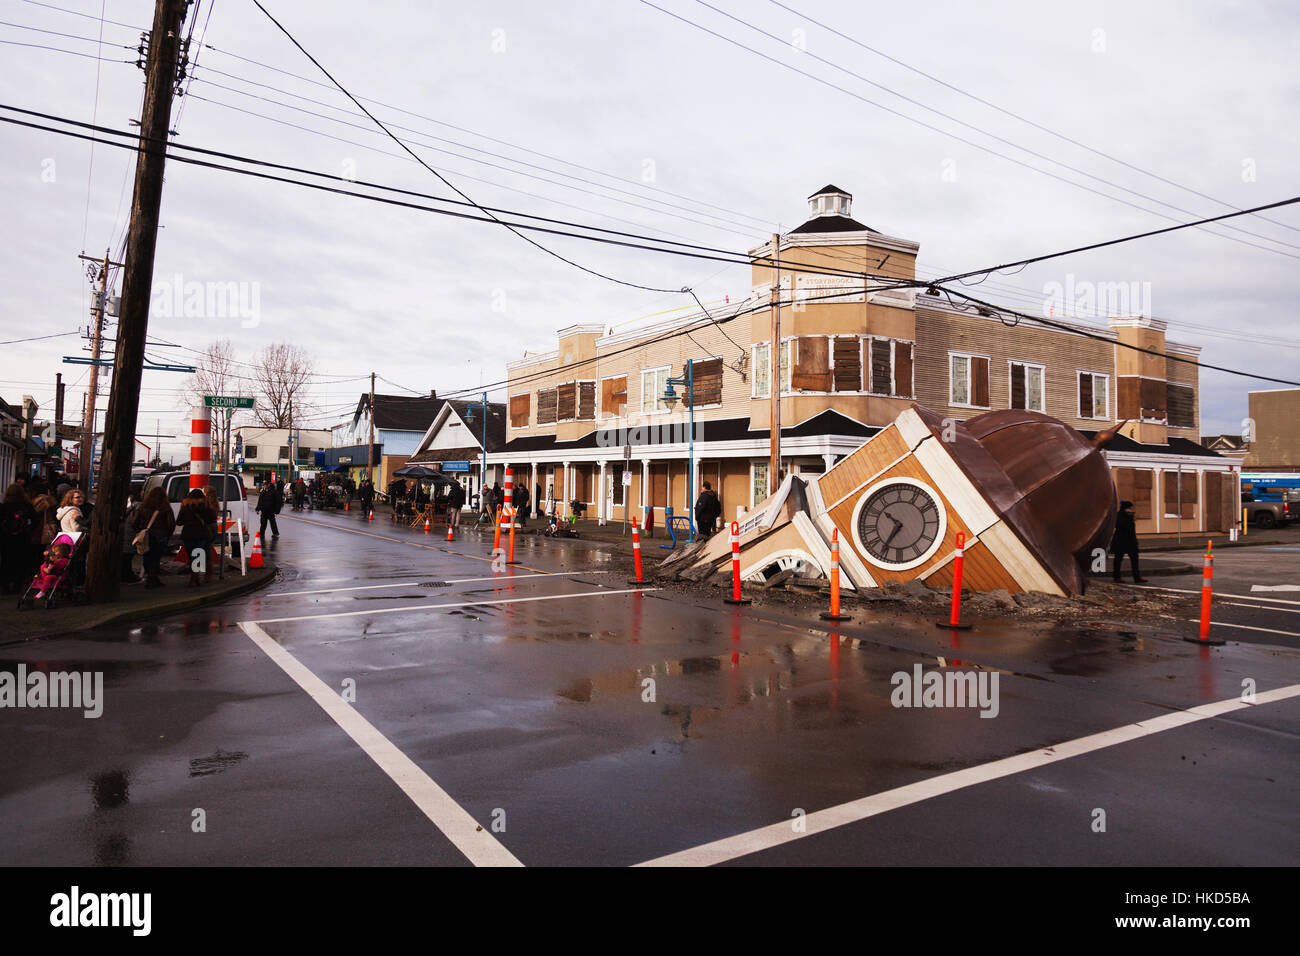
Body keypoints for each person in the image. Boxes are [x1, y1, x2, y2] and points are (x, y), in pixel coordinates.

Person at [1, 484, 39, 594]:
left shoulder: (4, 506)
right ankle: (17, 585)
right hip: (22, 537)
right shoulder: (27, 506)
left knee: (6, 561)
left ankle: (5, 585)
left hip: (6, 538)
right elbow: (35, 521)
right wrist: (28, 529)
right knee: (21, 561)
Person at [136, 486, 176, 589]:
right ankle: (152, 579)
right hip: (160, 534)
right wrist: (168, 534)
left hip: (146, 534)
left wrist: (139, 530)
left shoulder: (143, 506)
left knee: (147, 556)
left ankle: (151, 577)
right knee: (156, 557)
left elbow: (134, 521)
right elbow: (171, 523)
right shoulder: (165, 507)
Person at [177, 489, 217, 586]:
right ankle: (195, 578)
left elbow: (179, 521)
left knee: (192, 557)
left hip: (188, 534)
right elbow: (211, 519)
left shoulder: (185, 506)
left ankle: (194, 578)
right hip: (201, 534)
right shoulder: (205, 506)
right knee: (198, 555)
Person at [1110, 499, 1146, 584]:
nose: (1131, 510)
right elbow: (1119, 526)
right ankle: (1117, 577)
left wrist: (1135, 541)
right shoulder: (1120, 516)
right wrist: (1128, 518)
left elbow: (1132, 531)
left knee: (1134, 559)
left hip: (1130, 542)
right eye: (1129, 508)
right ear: (1125, 509)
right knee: (1118, 560)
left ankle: (1137, 577)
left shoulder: (1129, 516)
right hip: (1120, 541)